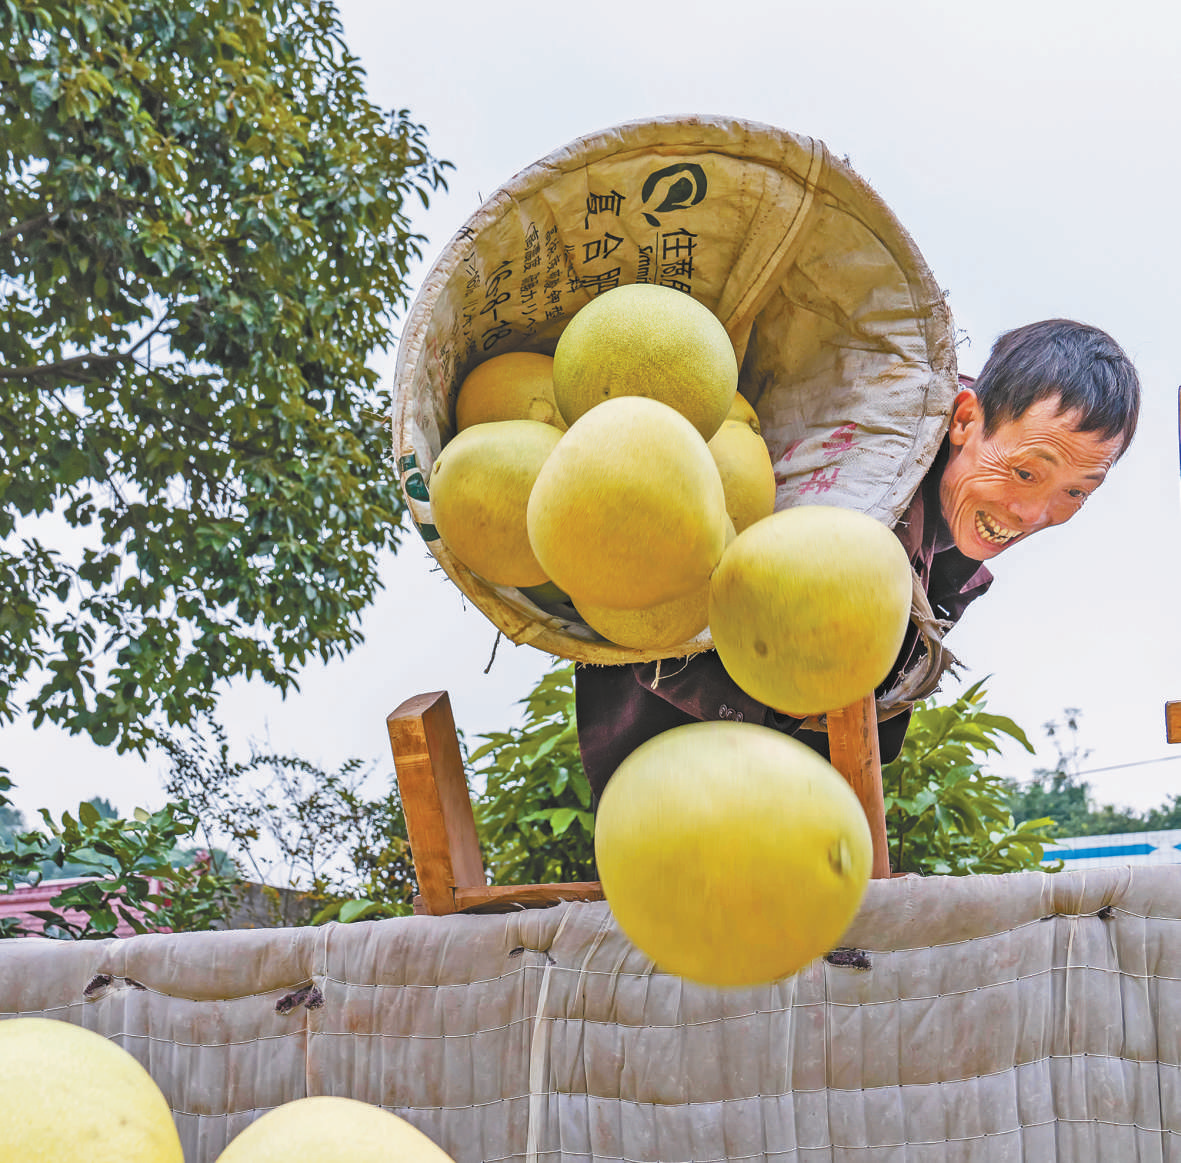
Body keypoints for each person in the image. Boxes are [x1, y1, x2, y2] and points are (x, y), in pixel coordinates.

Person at [574, 318, 1142, 802]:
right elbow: (666, 624)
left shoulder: (955, 543)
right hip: (669, 781)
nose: (1033, 513)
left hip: (786, 808)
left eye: (1076, 492)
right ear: (965, 420)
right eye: (1025, 472)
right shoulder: (865, 484)